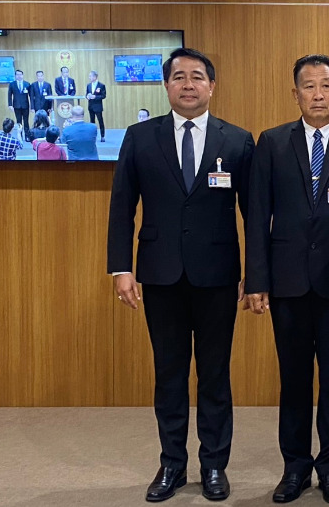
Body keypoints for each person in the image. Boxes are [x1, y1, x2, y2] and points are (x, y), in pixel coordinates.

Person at [107, 48, 254, 502]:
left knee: (214, 375)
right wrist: (121, 268)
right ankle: (171, 464)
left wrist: (256, 274)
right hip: (160, 274)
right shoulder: (139, 137)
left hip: (218, 276)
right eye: (179, 77)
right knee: (169, 374)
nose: (188, 84)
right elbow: (122, 206)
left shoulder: (238, 140)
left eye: (197, 77)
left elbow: (254, 213)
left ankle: (214, 465)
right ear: (166, 85)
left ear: (212, 86)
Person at [245, 54, 329, 505]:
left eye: (326, 86)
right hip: (287, 283)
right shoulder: (271, 143)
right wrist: (256, 280)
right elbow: (256, 216)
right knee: (294, 379)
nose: (318, 94)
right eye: (309, 86)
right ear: (296, 94)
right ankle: (295, 469)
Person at [7, 69, 31, 136]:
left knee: (26, 121)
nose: (19, 76)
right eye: (17, 74)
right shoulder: (12, 84)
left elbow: (30, 95)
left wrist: (32, 106)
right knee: (18, 121)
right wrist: (10, 105)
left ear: (22, 75)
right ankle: (19, 135)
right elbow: (9, 95)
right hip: (16, 106)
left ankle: (27, 135)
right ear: (15, 76)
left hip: (25, 105)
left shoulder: (27, 84)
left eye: (20, 74)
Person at [86, 70, 107, 141]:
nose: (89, 77)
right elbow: (86, 94)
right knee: (92, 122)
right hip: (90, 106)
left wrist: (95, 97)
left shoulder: (101, 85)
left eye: (90, 76)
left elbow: (103, 96)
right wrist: (87, 96)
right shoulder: (88, 85)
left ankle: (102, 136)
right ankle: (93, 136)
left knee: (100, 121)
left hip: (98, 106)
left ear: (95, 77)